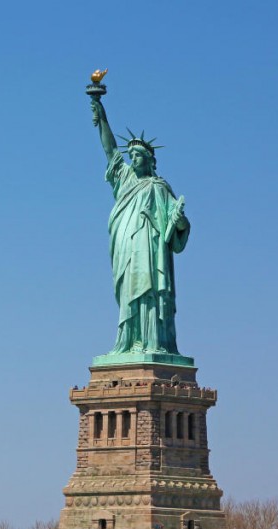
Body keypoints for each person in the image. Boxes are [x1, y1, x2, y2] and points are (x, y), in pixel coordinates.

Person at [90, 98, 190, 355]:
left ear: (149, 159)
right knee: (129, 291)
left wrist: (179, 222)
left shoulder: (159, 187)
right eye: (131, 155)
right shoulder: (124, 178)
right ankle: (128, 342)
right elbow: (110, 150)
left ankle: (154, 343)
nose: (132, 159)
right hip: (126, 245)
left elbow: (177, 226)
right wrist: (101, 115)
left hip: (151, 248)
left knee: (151, 291)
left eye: (137, 155)